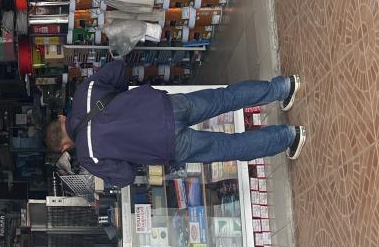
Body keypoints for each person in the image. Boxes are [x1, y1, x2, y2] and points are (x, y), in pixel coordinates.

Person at [44, 59, 305, 188]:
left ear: (65, 147)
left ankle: (289, 136)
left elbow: (125, 177)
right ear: (61, 118)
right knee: (225, 97)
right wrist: (124, 100)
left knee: (229, 146)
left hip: (167, 145)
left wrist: (131, 153)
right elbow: (118, 68)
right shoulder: (85, 93)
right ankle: (283, 86)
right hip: (165, 106)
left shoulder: (88, 156)